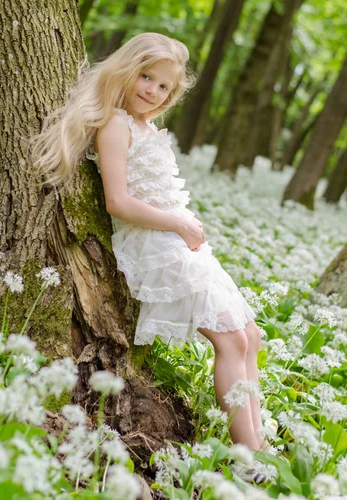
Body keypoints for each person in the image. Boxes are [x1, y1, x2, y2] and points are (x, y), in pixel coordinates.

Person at [32, 32, 267, 453]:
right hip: (154, 246)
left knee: (250, 334)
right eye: (146, 77)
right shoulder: (114, 124)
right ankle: (249, 454)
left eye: (164, 87)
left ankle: (261, 442)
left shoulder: (146, 127)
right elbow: (118, 201)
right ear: (127, 69)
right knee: (231, 340)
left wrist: (183, 227)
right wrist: (178, 224)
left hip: (179, 240)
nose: (152, 91)